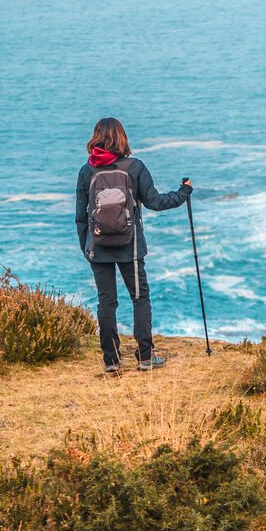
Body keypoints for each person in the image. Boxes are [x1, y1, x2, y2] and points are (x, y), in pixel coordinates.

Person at [75, 117, 192, 373]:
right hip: (132, 246)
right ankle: (145, 358)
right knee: (140, 298)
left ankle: (111, 361)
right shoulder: (134, 167)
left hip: (98, 246)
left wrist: (86, 246)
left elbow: (81, 216)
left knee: (107, 302)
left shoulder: (87, 171)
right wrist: (183, 193)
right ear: (122, 137)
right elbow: (156, 202)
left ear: (96, 138)